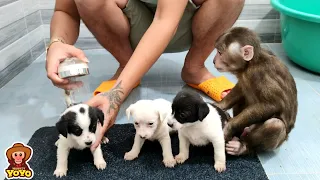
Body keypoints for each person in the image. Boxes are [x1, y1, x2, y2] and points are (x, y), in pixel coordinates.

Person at [45, 0, 245, 151]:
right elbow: (65, 10)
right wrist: (57, 42)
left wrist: (116, 95)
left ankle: (195, 66)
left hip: (186, 23)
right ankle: (126, 66)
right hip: (130, 23)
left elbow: (165, 21)